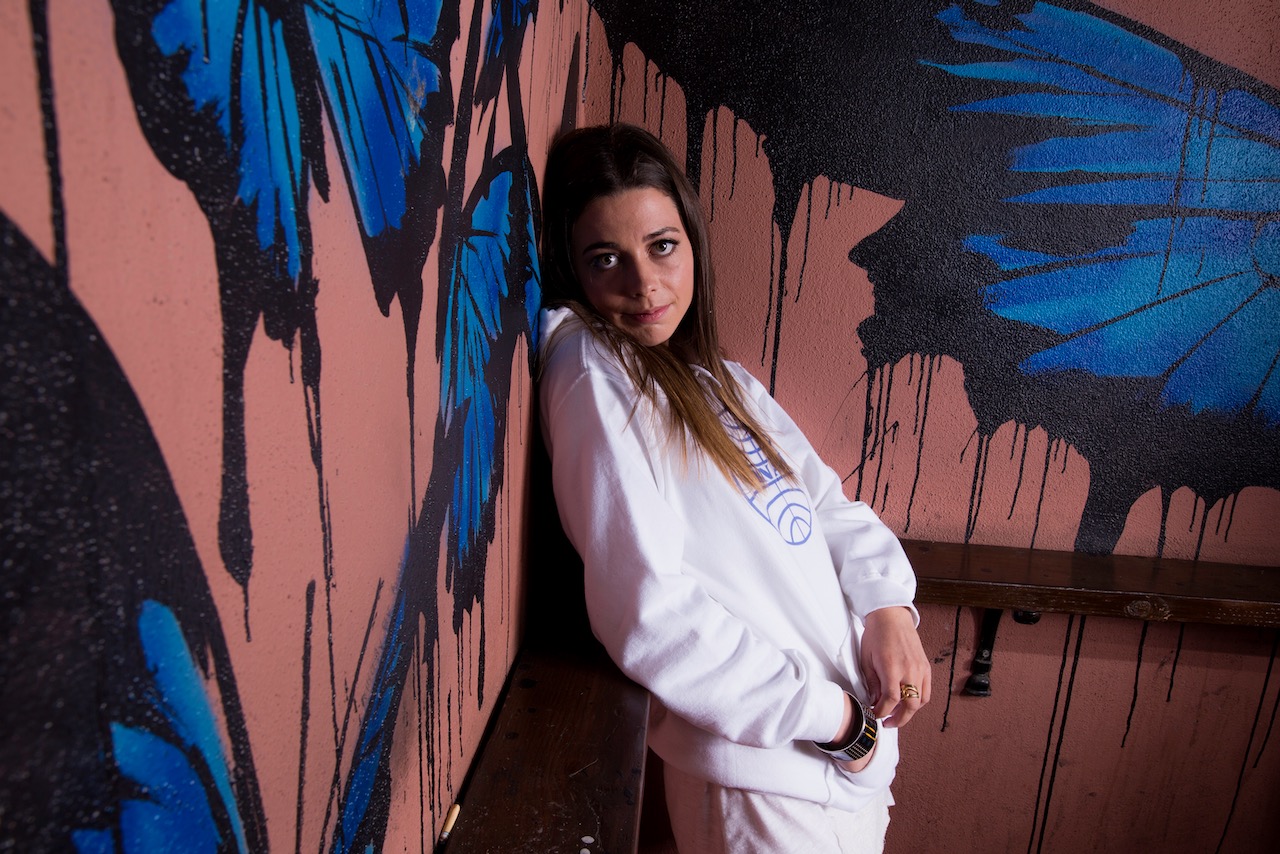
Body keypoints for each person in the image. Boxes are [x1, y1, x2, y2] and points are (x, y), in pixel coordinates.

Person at [537, 123, 930, 853]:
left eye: (662, 246)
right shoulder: (592, 373)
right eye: (605, 259)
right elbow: (649, 609)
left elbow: (825, 504)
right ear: (572, 267)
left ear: (692, 243)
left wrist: (887, 609)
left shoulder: (718, 380)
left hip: (842, 759)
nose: (643, 284)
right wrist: (836, 722)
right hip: (767, 781)